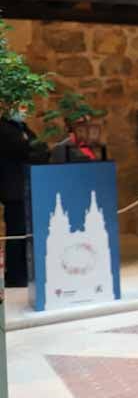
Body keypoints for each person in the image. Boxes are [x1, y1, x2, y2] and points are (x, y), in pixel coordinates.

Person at [0, 104, 47, 287]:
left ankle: (27, 272)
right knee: (16, 232)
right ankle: (15, 276)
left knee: (27, 233)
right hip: (13, 189)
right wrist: (33, 150)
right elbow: (24, 150)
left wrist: (35, 150)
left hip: (27, 187)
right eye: (21, 107)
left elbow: (41, 148)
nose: (24, 111)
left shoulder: (24, 128)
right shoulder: (4, 129)